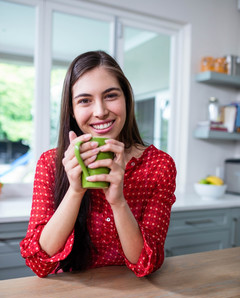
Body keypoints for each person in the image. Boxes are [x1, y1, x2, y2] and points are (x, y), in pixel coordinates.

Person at [20, 50, 176, 278]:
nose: (101, 111)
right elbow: (39, 263)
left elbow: (147, 264)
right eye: (85, 100)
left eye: (111, 95)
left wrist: (118, 201)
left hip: (135, 295)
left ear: (126, 99)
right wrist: (75, 191)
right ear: (72, 110)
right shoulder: (51, 163)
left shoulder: (159, 165)